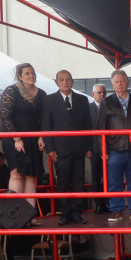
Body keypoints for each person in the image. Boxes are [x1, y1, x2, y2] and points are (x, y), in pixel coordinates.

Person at [41, 70, 92, 225]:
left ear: (72, 81)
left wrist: (89, 146)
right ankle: (64, 213)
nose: (65, 82)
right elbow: (46, 125)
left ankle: (77, 212)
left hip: (79, 147)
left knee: (78, 182)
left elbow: (87, 125)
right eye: (61, 79)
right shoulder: (49, 100)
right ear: (56, 82)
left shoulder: (82, 100)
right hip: (59, 149)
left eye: (68, 79)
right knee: (62, 182)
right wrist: (49, 148)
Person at [0, 63, 45, 222]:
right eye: (27, 73)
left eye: (33, 73)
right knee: (17, 174)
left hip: (33, 137)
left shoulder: (42, 93)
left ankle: (29, 216)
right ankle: (14, 215)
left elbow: (43, 119)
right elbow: (5, 116)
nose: (31, 76)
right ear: (19, 76)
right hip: (13, 137)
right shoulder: (12, 91)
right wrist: (17, 138)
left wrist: (41, 136)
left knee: (31, 176)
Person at [98, 70, 131, 222]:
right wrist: (103, 150)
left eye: (122, 81)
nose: (120, 84)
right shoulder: (106, 102)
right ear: (112, 84)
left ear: (128, 82)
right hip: (114, 149)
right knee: (114, 182)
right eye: (116, 82)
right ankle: (117, 210)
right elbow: (101, 127)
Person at [88, 84, 108, 213]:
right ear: (93, 94)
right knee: (96, 177)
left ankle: (108, 202)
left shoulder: (109, 107)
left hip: (109, 148)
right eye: (99, 92)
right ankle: (98, 203)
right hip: (94, 148)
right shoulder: (87, 108)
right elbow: (85, 128)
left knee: (108, 176)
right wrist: (88, 148)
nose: (102, 95)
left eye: (104, 92)